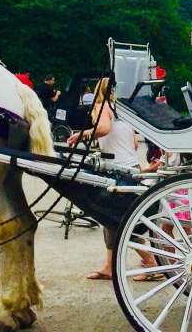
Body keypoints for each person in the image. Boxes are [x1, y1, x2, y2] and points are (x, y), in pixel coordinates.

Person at [66, 77, 158, 280]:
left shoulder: (100, 105)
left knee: (117, 219)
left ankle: (150, 261)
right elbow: (133, 145)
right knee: (109, 218)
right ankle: (109, 266)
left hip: (118, 170)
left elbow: (104, 129)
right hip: (131, 168)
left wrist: (82, 134)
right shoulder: (123, 112)